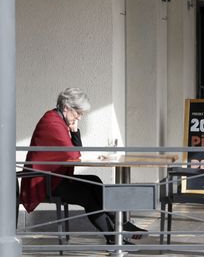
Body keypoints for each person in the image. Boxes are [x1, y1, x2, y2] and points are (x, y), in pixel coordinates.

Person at [20, 88, 146, 244]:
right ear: (66, 108)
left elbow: (75, 151)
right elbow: (73, 155)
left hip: (55, 177)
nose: (79, 117)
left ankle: (121, 224)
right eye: (78, 113)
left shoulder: (59, 120)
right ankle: (114, 236)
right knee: (88, 197)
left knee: (94, 181)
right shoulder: (51, 122)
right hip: (44, 182)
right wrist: (72, 135)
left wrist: (75, 130)